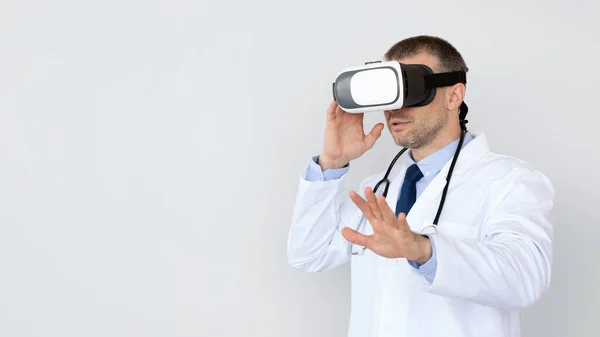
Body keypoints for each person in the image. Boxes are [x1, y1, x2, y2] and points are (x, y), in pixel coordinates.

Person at [286, 35, 554, 337]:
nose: (396, 109)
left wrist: (423, 250)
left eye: (411, 90)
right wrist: (332, 163)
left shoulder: (511, 182)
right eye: (390, 94)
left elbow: (525, 279)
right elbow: (308, 255)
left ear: (454, 96)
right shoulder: (376, 189)